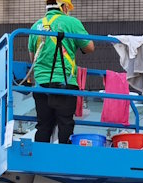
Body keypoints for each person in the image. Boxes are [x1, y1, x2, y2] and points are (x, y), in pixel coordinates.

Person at [28, 0, 95, 144]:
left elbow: (33, 58)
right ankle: (65, 153)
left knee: (43, 125)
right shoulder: (72, 22)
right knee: (65, 123)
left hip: (41, 85)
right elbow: (90, 47)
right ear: (63, 6)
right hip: (65, 83)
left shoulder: (35, 26)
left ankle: (41, 154)